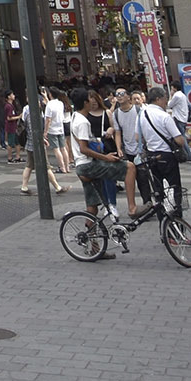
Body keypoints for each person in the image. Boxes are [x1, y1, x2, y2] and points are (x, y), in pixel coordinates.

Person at [71, 90, 127, 259]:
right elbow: (83, 148)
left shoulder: (75, 117)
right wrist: (107, 158)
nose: (93, 102)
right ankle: (133, 207)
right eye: (89, 100)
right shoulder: (83, 122)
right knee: (129, 168)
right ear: (85, 103)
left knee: (92, 208)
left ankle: (94, 247)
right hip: (87, 165)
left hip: (82, 165)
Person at [136, 88, 189, 213]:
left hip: (151, 156)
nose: (167, 101)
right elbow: (180, 140)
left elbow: (137, 137)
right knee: (173, 188)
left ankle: (162, 218)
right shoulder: (164, 116)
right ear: (158, 99)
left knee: (158, 189)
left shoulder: (141, 114)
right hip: (167, 156)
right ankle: (176, 219)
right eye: (165, 98)